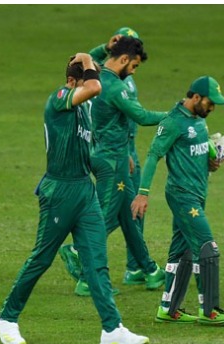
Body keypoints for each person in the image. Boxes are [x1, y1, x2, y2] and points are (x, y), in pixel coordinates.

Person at [0, 53, 148, 344]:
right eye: (85, 80)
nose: (92, 90)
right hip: (59, 192)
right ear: (71, 81)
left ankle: (112, 328)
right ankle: (6, 319)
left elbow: (87, 149)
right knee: (41, 258)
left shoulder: (84, 111)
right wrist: (89, 58)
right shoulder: (59, 98)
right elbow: (94, 87)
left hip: (84, 191)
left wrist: (116, 160)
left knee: (96, 261)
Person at [58, 36, 166, 297]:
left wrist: (124, 150)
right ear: (124, 59)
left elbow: (83, 61)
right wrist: (176, 114)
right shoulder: (115, 87)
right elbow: (141, 117)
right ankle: (85, 274)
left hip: (106, 153)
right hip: (111, 162)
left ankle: (150, 269)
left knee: (130, 215)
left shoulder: (95, 79)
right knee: (102, 221)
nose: (134, 71)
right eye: (134, 65)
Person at [131, 76, 224, 325]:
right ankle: (209, 311)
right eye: (210, 102)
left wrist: (212, 160)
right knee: (207, 248)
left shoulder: (199, 119)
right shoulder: (173, 122)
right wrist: (142, 193)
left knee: (183, 251)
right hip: (182, 195)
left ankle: (168, 309)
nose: (212, 108)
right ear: (196, 97)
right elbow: (153, 155)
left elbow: (199, 148)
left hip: (197, 193)